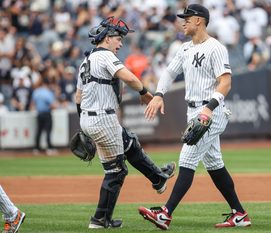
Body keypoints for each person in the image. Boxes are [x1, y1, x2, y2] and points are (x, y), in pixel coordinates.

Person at [138, 4, 251, 230]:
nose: (183, 22)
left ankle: (165, 213)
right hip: (194, 111)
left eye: (187, 18)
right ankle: (239, 214)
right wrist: (159, 94)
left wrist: (209, 108)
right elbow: (169, 72)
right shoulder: (185, 48)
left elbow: (226, 82)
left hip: (211, 112)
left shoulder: (216, 47)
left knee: (187, 159)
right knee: (214, 164)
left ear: (199, 20)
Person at [75, 16, 156, 229]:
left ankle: (158, 177)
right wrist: (145, 92)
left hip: (88, 117)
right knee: (117, 171)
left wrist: (83, 125)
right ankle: (99, 220)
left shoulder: (86, 60)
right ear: (107, 38)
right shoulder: (105, 56)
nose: (120, 43)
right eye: (118, 39)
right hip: (103, 117)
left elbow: (78, 97)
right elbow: (128, 77)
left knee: (128, 142)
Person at [31, 76, 57, 156]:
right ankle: (49, 148)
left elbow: (32, 104)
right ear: (47, 84)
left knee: (39, 131)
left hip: (39, 113)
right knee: (48, 131)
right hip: (47, 113)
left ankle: (36, 148)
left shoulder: (36, 92)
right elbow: (53, 105)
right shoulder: (48, 93)